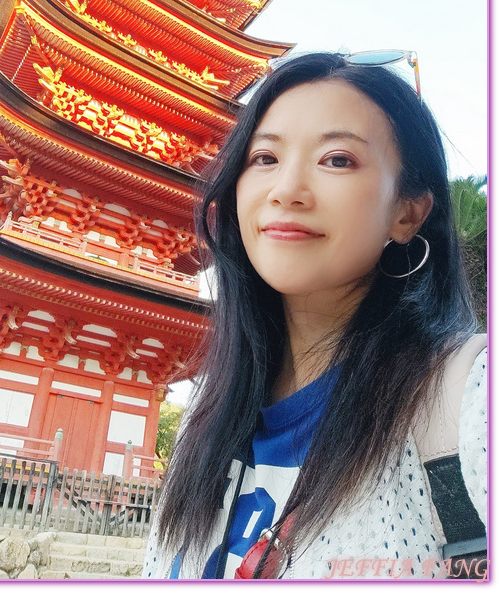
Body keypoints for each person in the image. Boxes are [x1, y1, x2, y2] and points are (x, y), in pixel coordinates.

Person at [142, 52, 486, 580]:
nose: (286, 190)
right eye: (264, 159)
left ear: (408, 212)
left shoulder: (468, 397)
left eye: (337, 159)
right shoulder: (205, 417)